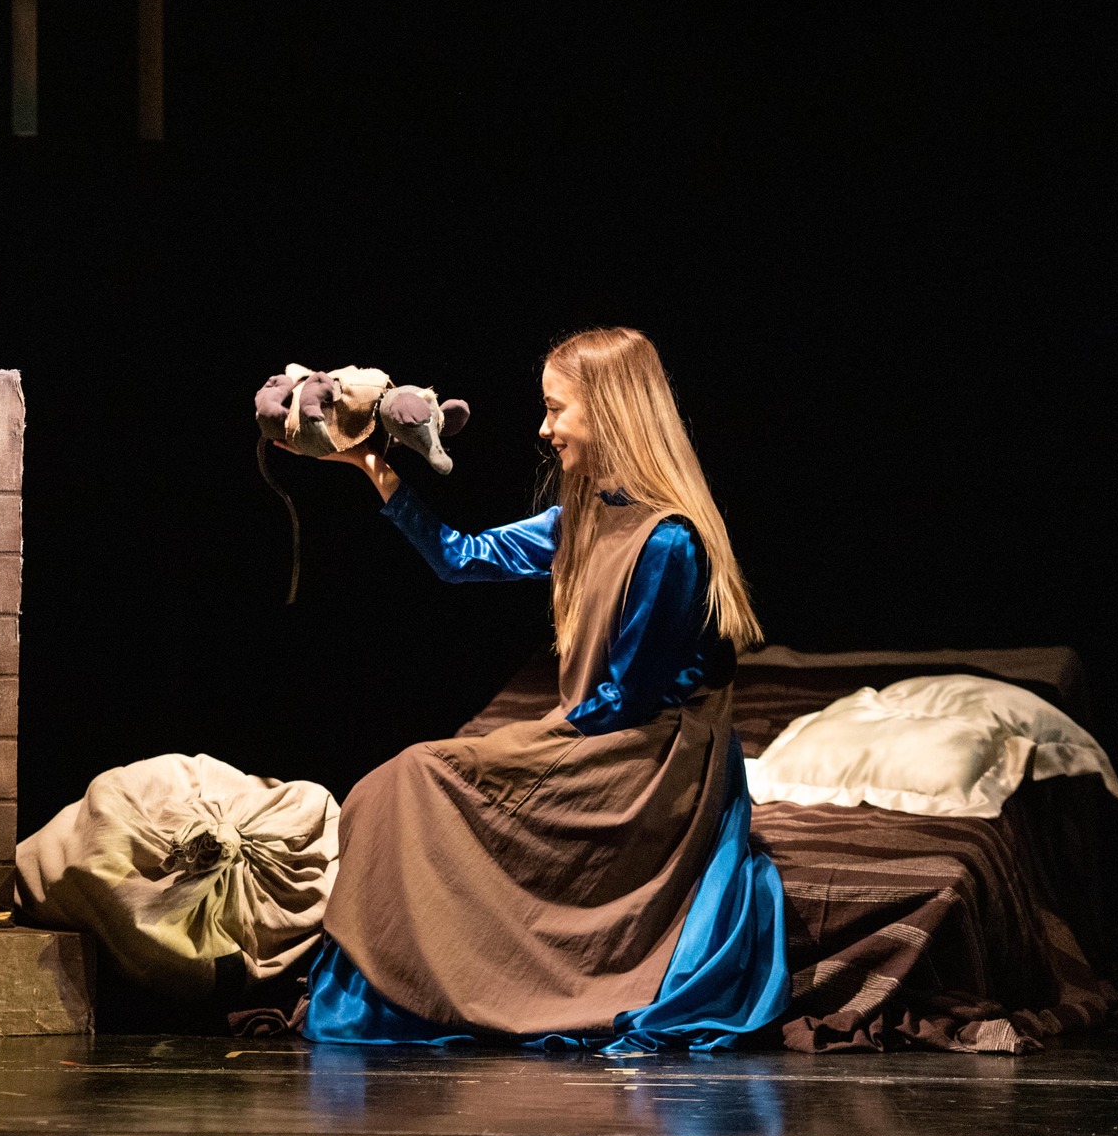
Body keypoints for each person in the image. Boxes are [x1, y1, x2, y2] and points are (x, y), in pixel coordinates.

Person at [290, 327, 789, 1049]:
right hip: (602, 732)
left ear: (608, 412)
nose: (544, 429)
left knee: (417, 779)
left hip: (650, 764)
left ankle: (439, 988)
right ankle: (409, 985)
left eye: (557, 409)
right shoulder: (579, 518)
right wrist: (376, 469)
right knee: (397, 787)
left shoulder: (668, 540)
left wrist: (514, 752)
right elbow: (461, 558)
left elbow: (626, 700)